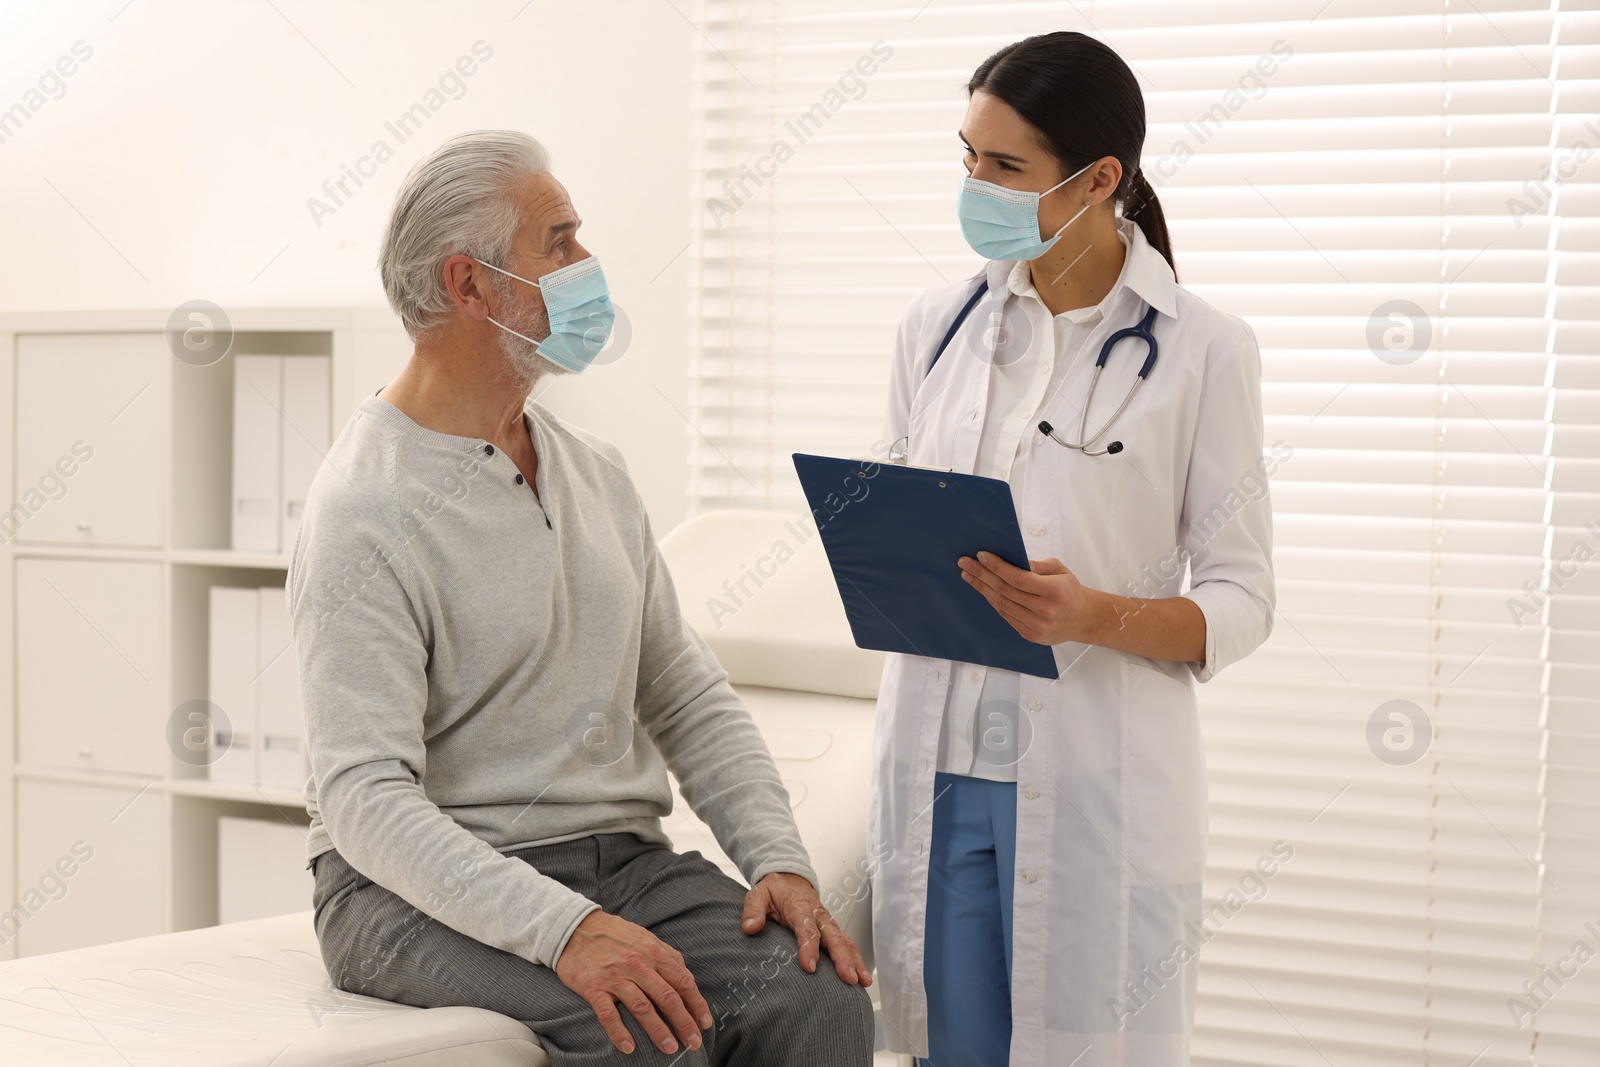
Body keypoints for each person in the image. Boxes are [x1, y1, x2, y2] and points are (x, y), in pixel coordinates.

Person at [289, 129, 874, 1066]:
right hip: (399, 895)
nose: (588, 266)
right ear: (470, 285)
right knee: (652, 1034)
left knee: (820, 1004)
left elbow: (683, 690)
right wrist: (564, 929)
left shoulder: (593, 473)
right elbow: (363, 795)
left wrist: (779, 860)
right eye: (559, 242)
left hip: (622, 862)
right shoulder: (366, 504)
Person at [869, 33, 1276, 1067]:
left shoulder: (1201, 350)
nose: (975, 187)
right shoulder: (936, 326)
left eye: (1004, 168)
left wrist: (1095, 614)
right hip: (941, 770)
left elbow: (1241, 597)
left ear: (1100, 180)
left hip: (1096, 780)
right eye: (967, 156)